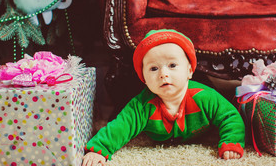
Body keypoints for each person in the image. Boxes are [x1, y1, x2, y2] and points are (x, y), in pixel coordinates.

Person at [82, 29, 245, 166]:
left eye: (173, 65)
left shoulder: (204, 96)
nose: (163, 74)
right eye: (153, 68)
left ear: (189, 70)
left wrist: (231, 142)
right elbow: (121, 126)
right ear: (144, 78)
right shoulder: (142, 105)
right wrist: (99, 149)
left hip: (199, 132)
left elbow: (229, 116)